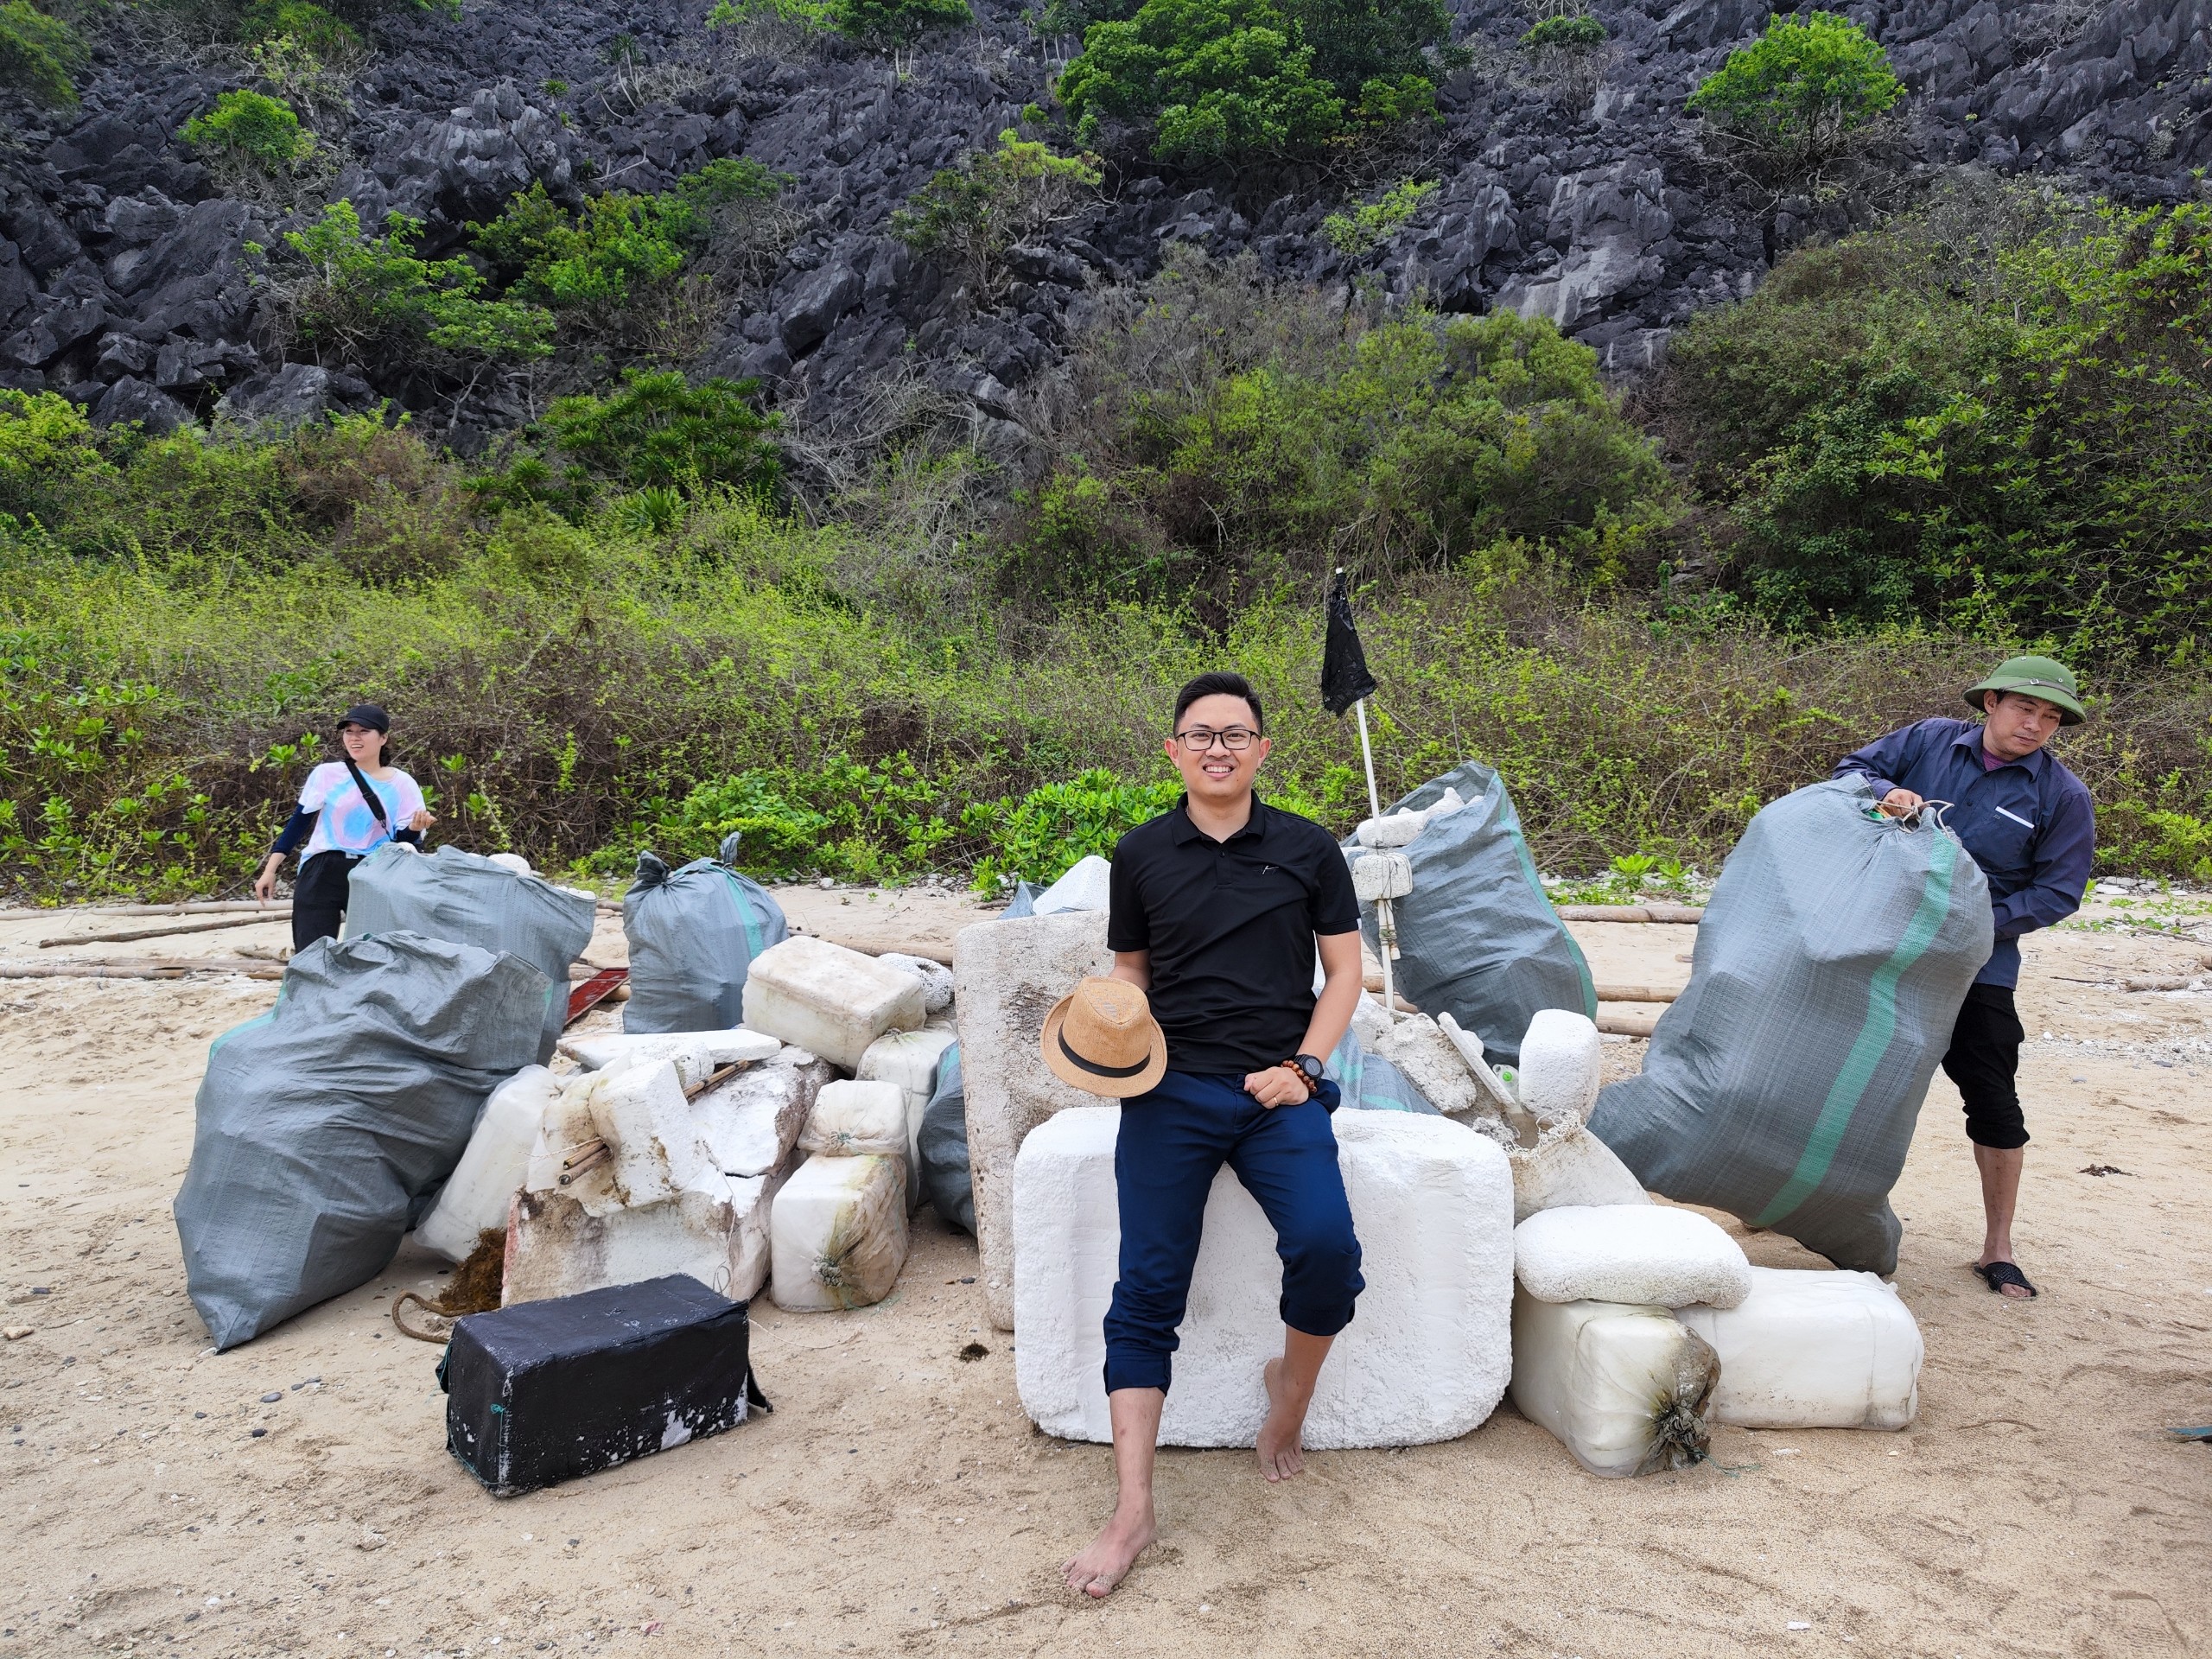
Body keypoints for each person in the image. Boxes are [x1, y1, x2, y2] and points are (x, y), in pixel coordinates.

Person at [1059, 671, 1366, 1600]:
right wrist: (1113, 1021)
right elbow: (1133, 969)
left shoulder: (1310, 849)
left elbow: (1345, 976)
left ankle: (1291, 1390)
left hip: (1279, 1090)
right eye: (1200, 734)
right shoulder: (1140, 853)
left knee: (1326, 1247)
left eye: (1235, 734)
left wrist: (1303, 1069)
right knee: (1148, 1285)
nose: (1218, 748)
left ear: (1262, 749)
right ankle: (1132, 1509)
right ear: (1174, 750)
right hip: (1169, 1091)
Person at [1834, 656, 2095, 1301]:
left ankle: (1997, 1248)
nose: (2034, 725)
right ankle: (1785, 1200)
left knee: (1993, 1095)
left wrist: (1971, 925)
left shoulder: (2063, 796)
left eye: (2050, 717)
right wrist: (1884, 792)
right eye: (2024, 708)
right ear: (1991, 703)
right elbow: (1849, 771)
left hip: (1978, 960)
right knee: (1830, 1066)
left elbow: (2058, 892)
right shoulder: (1928, 740)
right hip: (1879, 936)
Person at [254, 704, 436, 950]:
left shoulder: (403, 783)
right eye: (349, 731)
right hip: (321, 868)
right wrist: (270, 870)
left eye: (364, 731)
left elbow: (404, 842)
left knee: (374, 952)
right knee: (311, 952)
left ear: (383, 738)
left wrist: (414, 828)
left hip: (373, 872)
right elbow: (298, 824)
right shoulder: (326, 774)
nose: (354, 738)